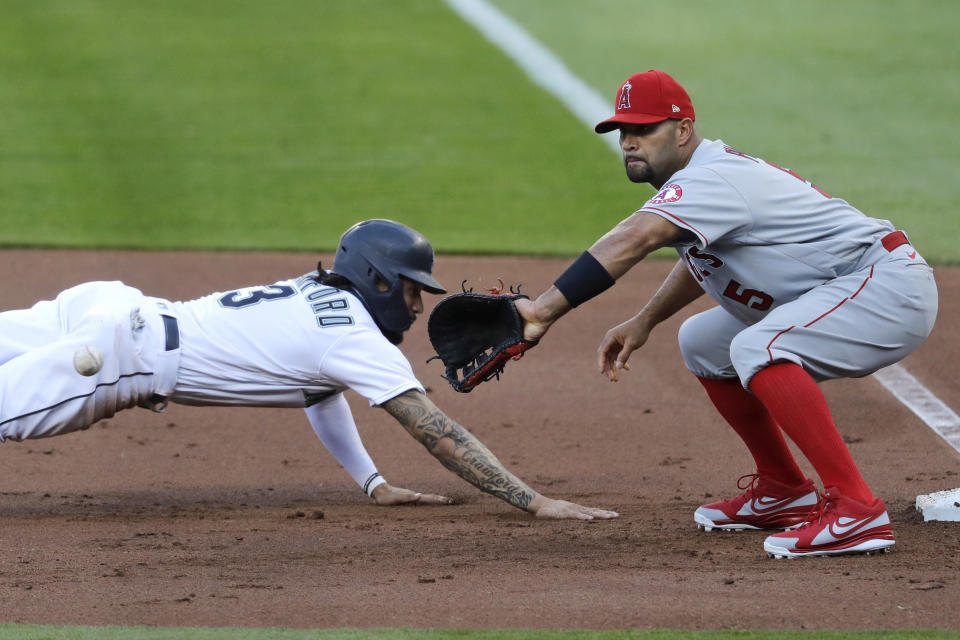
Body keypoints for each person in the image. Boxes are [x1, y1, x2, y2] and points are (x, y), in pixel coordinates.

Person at [515, 70, 937, 557]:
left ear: (682, 129)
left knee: (759, 346)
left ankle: (857, 511)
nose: (630, 142)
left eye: (644, 129)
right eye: (623, 132)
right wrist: (646, 319)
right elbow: (705, 262)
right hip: (848, 286)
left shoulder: (711, 177)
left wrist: (544, 308)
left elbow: (635, 238)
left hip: (886, 286)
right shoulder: (696, 181)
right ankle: (784, 490)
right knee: (702, 343)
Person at [0, 219, 618, 522]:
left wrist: (372, 482)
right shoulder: (357, 341)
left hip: (104, 305)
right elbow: (438, 433)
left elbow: (317, 392)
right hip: (115, 357)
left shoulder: (317, 294)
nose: (418, 305)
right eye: (411, 289)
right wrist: (534, 502)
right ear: (377, 279)